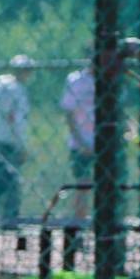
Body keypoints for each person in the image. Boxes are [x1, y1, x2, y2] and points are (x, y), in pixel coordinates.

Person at [0, 55, 33, 224]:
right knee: (12, 182)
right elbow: (13, 119)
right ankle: (10, 219)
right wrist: (22, 144)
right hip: (9, 140)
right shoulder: (16, 90)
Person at [58, 54, 97, 220]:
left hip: (104, 141)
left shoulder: (111, 79)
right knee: (83, 183)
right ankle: (79, 220)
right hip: (81, 140)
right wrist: (81, 143)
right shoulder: (76, 80)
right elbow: (69, 113)